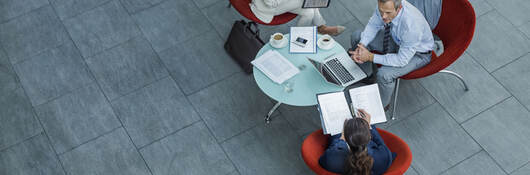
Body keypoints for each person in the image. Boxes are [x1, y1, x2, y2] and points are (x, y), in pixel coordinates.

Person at [349, 0, 434, 107]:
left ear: (399, 8)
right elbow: (373, 25)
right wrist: (362, 45)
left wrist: (370, 57)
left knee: (384, 75)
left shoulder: (412, 26)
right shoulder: (384, 7)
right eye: (381, 11)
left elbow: (401, 60)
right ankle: (367, 75)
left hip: (418, 54)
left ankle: (382, 105)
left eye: (388, 13)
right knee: (357, 37)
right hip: (397, 39)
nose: (383, 16)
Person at [319, 109, 394, 175]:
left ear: (345, 139)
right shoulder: (385, 157)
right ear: (370, 137)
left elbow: (323, 160)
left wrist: (340, 139)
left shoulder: (330, 159)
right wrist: (368, 126)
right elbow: (380, 143)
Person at [249, 0, 345, 36]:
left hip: (285, 3)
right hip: (266, 6)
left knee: (309, 13)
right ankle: (321, 27)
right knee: (307, 3)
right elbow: (270, 3)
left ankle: (297, 37)